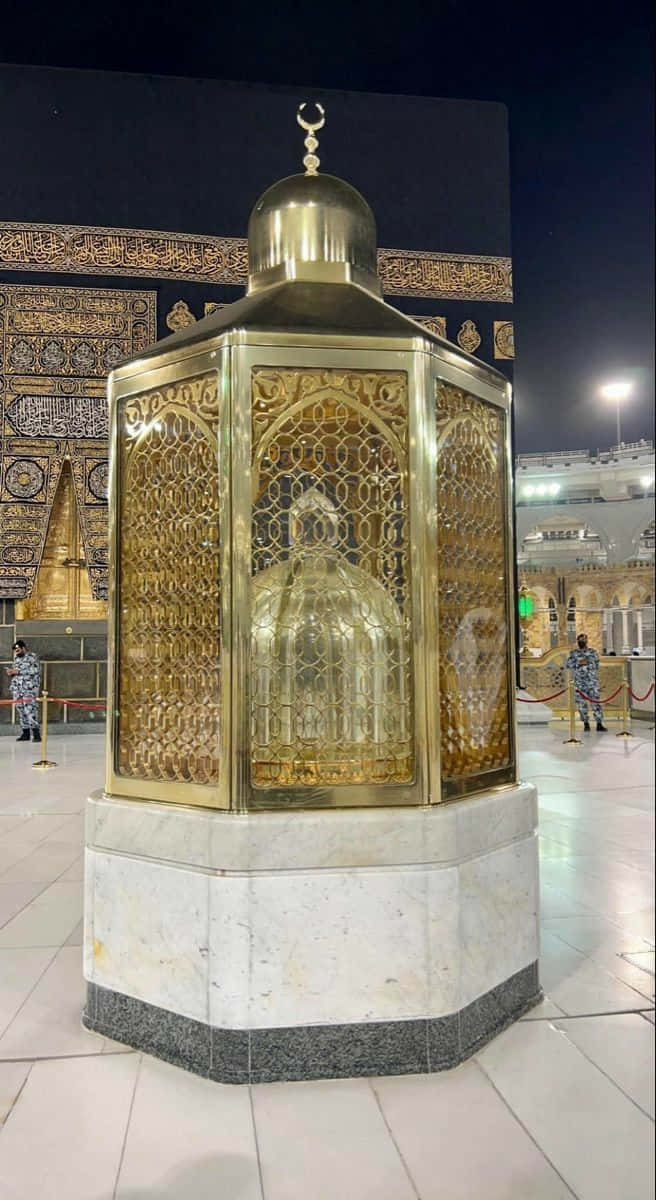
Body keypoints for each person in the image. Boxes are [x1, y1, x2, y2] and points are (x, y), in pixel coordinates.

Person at [566, 632, 607, 732]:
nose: (582, 642)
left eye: (584, 640)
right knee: (581, 704)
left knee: (596, 703)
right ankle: (586, 723)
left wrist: (582, 663)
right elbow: (569, 665)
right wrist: (580, 662)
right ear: (577, 641)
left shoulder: (592, 652)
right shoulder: (574, 653)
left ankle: (599, 723)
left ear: (587, 641)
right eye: (580, 640)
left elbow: (596, 665)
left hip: (591, 681)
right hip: (579, 682)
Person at [6, 640, 41, 742]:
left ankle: (36, 734)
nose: (17, 652)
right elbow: (17, 672)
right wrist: (11, 672)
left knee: (30, 710)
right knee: (21, 710)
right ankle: (25, 733)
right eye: (15, 651)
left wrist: (19, 671)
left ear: (23, 648)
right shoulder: (17, 659)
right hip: (17, 688)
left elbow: (35, 670)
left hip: (28, 689)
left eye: (18, 650)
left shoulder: (32, 657)